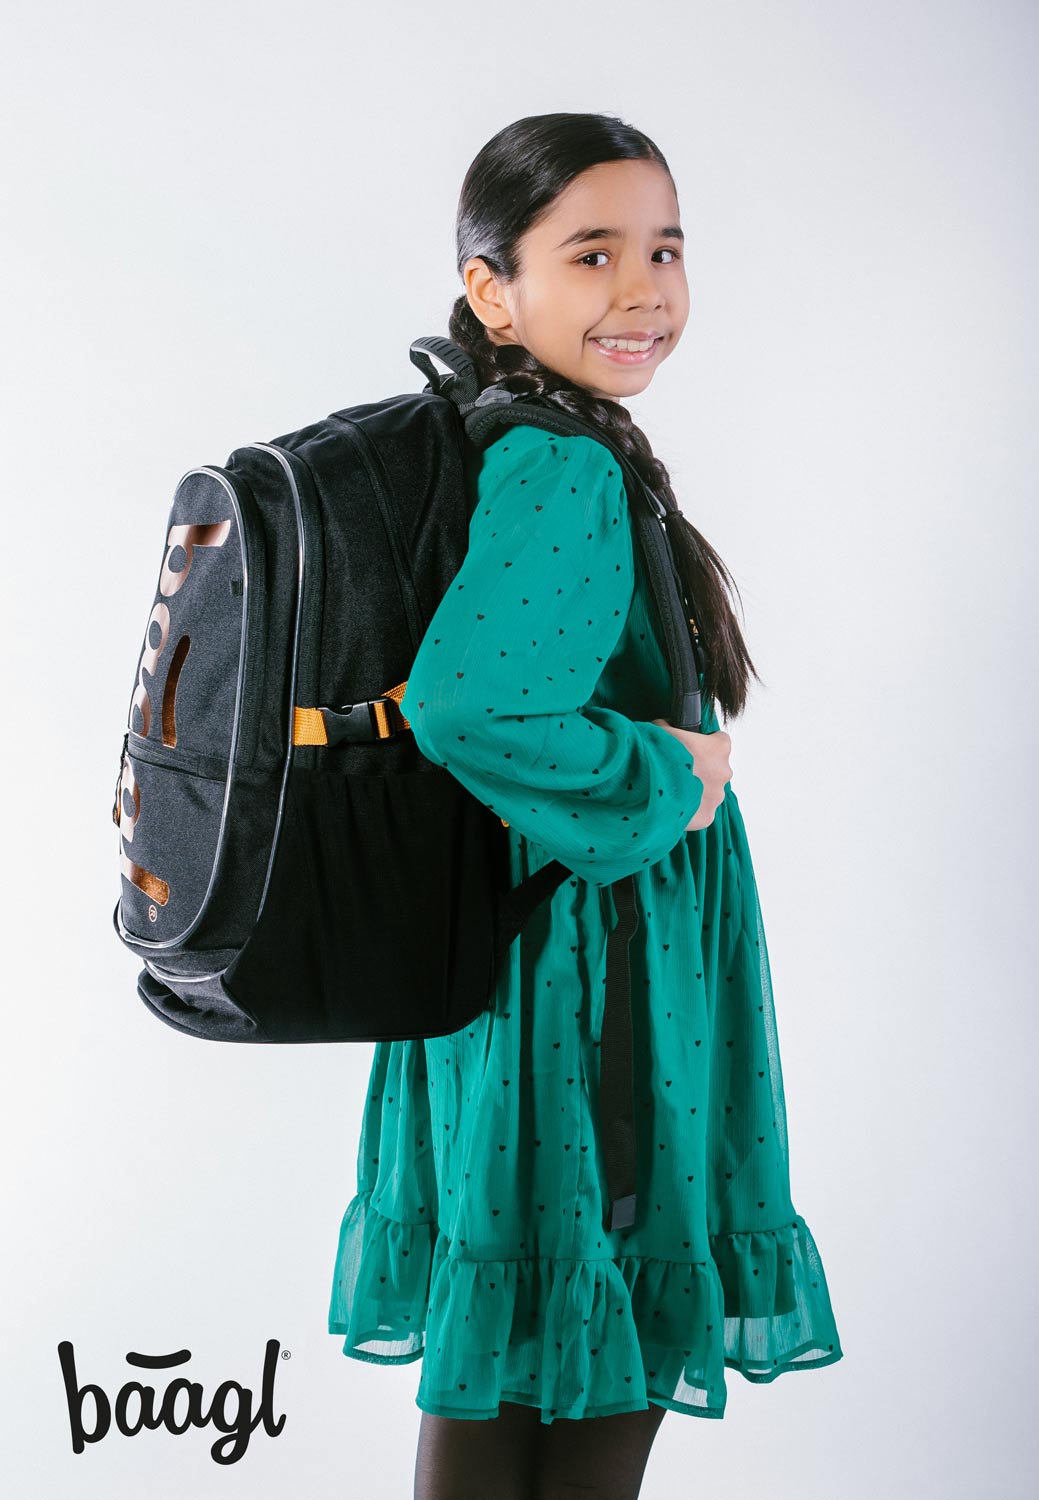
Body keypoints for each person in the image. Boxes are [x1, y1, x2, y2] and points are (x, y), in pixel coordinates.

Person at [327, 112, 843, 1500]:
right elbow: (468, 708)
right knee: (588, 1351)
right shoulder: (563, 461)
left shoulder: (514, 433)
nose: (644, 289)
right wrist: (668, 776)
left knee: (522, 1364)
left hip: (528, 952)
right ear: (493, 290)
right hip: (590, 971)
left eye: (665, 250)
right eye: (594, 253)